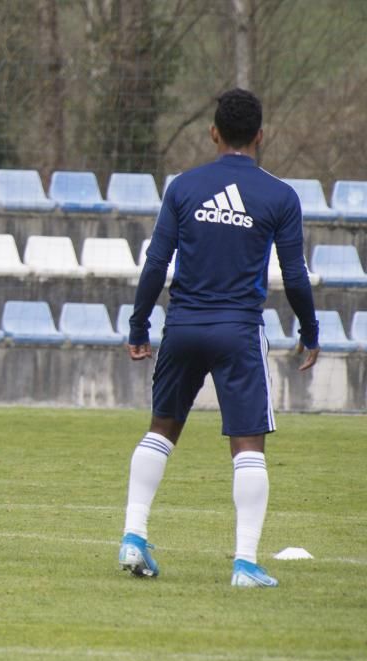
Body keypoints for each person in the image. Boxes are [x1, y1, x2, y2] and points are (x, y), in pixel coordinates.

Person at [118, 88, 320, 587]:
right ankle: (246, 564)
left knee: (161, 429)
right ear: (260, 136)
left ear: (213, 133)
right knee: (248, 443)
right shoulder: (279, 196)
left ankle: (133, 535)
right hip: (237, 332)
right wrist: (310, 331)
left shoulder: (184, 187)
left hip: (183, 326)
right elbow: (295, 276)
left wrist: (139, 325)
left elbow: (156, 263)